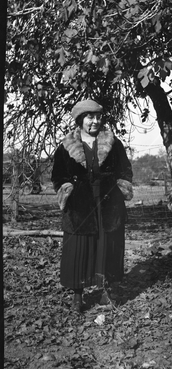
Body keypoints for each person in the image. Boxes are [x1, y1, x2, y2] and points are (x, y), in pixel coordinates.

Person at [51, 99, 133, 313]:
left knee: (108, 246)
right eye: (90, 117)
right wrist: (66, 188)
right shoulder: (65, 147)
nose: (95, 121)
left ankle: (107, 291)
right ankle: (78, 296)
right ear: (80, 120)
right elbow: (58, 175)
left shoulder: (113, 144)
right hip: (79, 206)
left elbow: (125, 170)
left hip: (108, 203)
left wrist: (122, 187)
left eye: (97, 117)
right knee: (78, 249)